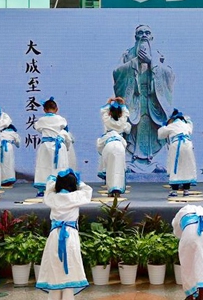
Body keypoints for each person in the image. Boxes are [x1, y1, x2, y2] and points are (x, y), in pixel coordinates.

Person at [113, 25, 175, 172]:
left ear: (152, 37)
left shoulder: (158, 54)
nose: (144, 35)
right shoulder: (127, 55)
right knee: (134, 128)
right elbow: (117, 73)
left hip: (153, 101)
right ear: (135, 37)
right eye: (140, 33)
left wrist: (151, 62)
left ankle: (152, 162)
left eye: (147, 32)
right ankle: (132, 163)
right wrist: (135, 63)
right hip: (134, 100)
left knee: (152, 130)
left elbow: (170, 74)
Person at [36, 169, 92, 299]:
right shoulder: (75, 197)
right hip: (70, 237)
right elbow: (87, 191)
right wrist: (79, 182)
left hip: (54, 236)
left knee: (55, 269)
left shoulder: (51, 198)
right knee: (70, 270)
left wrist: (52, 181)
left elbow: (48, 189)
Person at [172, 205, 203, 300]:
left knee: (187, 267)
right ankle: (201, 297)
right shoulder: (202, 210)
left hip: (191, 235)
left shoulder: (181, 213)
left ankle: (190, 296)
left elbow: (177, 231)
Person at [34, 97, 71, 197]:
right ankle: (61, 187)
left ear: (44, 109)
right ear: (57, 109)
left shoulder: (41, 120)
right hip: (59, 146)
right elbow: (65, 130)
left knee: (44, 166)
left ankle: (43, 189)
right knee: (60, 166)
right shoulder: (61, 119)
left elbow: (37, 127)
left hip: (46, 146)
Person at [158, 109, 196, 197]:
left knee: (175, 166)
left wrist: (164, 126)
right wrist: (188, 120)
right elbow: (190, 126)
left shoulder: (172, 125)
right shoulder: (186, 125)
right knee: (187, 166)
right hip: (187, 145)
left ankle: (174, 190)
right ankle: (186, 189)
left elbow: (160, 134)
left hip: (176, 146)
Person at [97, 97, 131, 197]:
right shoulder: (122, 122)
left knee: (109, 167)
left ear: (109, 113)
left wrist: (109, 102)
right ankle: (117, 190)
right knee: (119, 168)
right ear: (120, 114)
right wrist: (123, 104)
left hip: (108, 144)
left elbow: (103, 112)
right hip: (120, 145)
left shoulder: (107, 121)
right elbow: (126, 114)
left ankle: (110, 188)